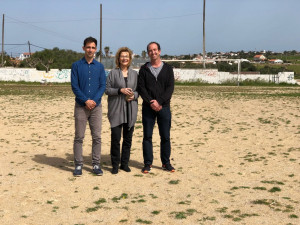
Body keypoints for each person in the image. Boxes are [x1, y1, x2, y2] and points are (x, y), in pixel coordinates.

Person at [71, 36, 106, 177]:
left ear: (96, 49)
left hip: (96, 107)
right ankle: (78, 165)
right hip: (81, 106)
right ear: (83, 48)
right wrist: (86, 100)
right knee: (79, 137)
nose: (90, 50)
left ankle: (96, 164)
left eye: (93, 47)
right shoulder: (76, 66)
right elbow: (75, 86)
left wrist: (94, 100)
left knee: (96, 137)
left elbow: (102, 85)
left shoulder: (100, 66)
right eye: (88, 47)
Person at [138, 41, 175, 174]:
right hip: (148, 108)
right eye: (150, 50)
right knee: (147, 136)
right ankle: (148, 163)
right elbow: (141, 88)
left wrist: (159, 102)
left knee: (165, 136)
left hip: (164, 107)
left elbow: (170, 88)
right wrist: (151, 102)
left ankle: (166, 162)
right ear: (148, 53)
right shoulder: (144, 69)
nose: (153, 52)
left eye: (155, 50)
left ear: (159, 51)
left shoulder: (168, 69)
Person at [105, 47, 138, 174]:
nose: (124, 58)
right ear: (118, 58)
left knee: (128, 139)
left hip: (131, 110)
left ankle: (124, 163)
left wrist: (133, 95)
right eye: (122, 56)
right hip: (116, 110)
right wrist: (120, 90)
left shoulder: (135, 74)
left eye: (127, 56)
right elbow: (107, 90)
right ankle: (115, 164)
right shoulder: (112, 73)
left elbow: (139, 91)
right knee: (116, 139)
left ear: (129, 59)